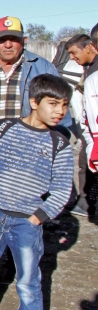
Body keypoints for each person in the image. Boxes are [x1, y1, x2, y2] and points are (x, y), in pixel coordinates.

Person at [0, 74, 74, 310]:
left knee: (28, 283)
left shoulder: (59, 143)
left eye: (64, 105)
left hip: (26, 223)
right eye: (53, 104)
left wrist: (37, 219)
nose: (60, 111)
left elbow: (62, 190)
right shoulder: (3, 128)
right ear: (34, 102)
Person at [0, 16, 72, 174]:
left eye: (14, 39)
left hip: (30, 157)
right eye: (2, 40)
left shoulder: (44, 69)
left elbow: (62, 117)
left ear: (24, 40)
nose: (8, 45)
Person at [67, 34, 98, 216]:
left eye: (73, 52)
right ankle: (87, 203)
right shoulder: (89, 68)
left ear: (88, 47)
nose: (72, 57)